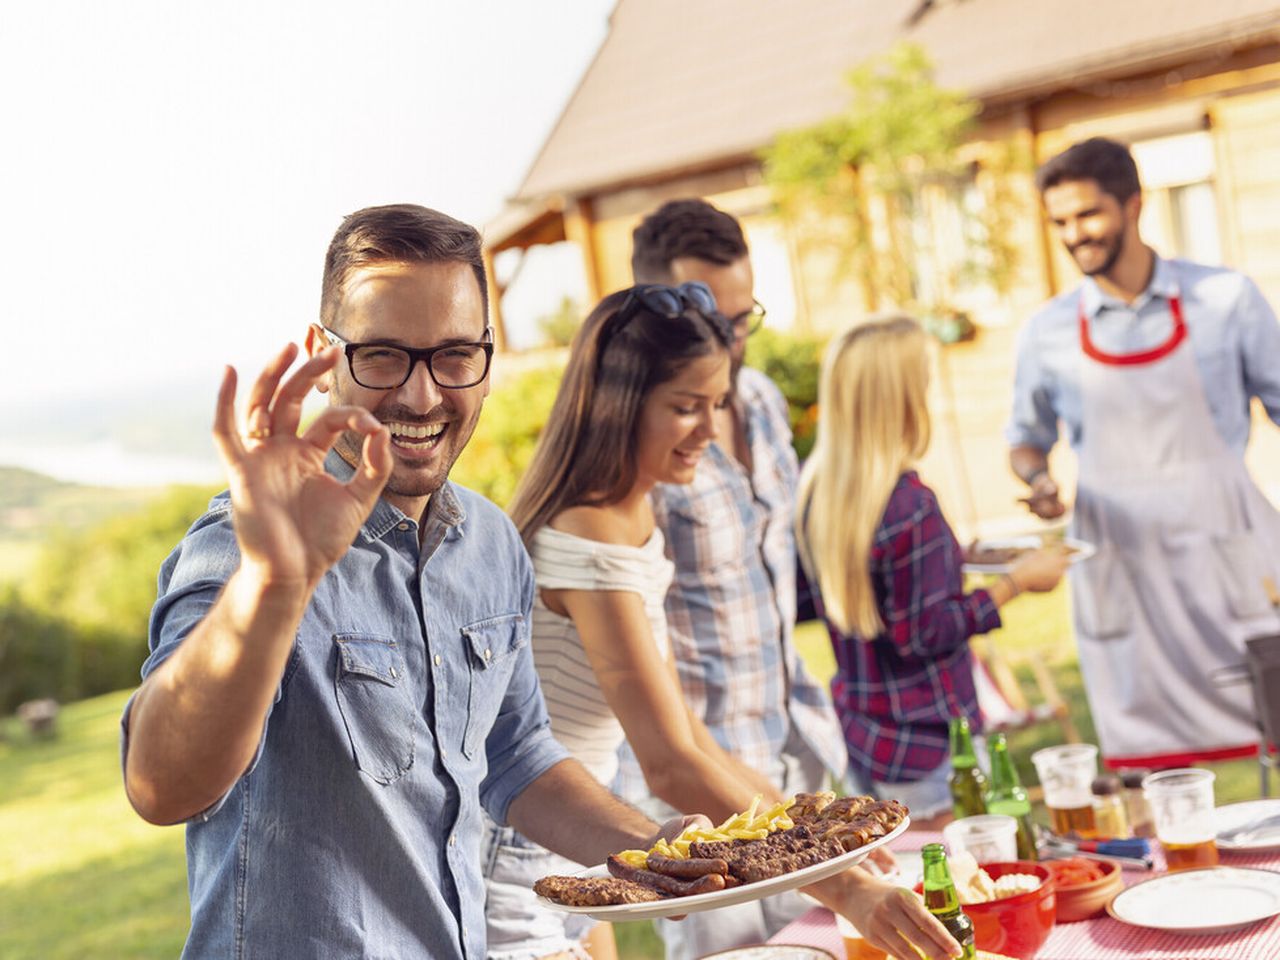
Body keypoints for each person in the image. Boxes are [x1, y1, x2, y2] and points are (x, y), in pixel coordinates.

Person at [120, 204, 702, 960]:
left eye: (455, 355)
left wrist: (650, 848)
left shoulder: (491, 544)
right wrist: (274, 581)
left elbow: (518, 756)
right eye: (384, 355)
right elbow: (160, 787)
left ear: (489, 358)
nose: (422, 397)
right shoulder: (242, 547)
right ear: (321, 355)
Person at [486, 285, 959, 960]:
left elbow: (694, 738)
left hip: (569, 850)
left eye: (717, 404)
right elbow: (670, 764)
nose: (710, 432)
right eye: (685, 407)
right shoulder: (586, 533)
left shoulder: (631, 517)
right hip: (518, 867)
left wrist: (822, 846)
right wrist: (845, 888)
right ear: (618, 404)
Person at [619, 199, 862, 958]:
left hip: (804, 746)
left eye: (745, 315)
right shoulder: (639, 445)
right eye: (712, 320)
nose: (734, 340)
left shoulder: (757, 402)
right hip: (709, 792)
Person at [1008, 136, 1280, 767]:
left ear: (1134, 204)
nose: (1075, 234)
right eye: (1060, 222)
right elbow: (1025, 438)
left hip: (1225, 560)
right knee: (1146, 776)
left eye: (1088, 214)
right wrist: (1036, 478)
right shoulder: (1046, 331)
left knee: (1266, 743)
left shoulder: (1225, 300)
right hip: (1121, 569)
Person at [796, 316, 1067, 827]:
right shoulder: (910, 504)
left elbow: (879, 591)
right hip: (933, 750)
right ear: (898, 400)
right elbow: (924, 631)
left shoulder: (822, 494)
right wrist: (1016, 583)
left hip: (868, 741)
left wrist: (955, 558)